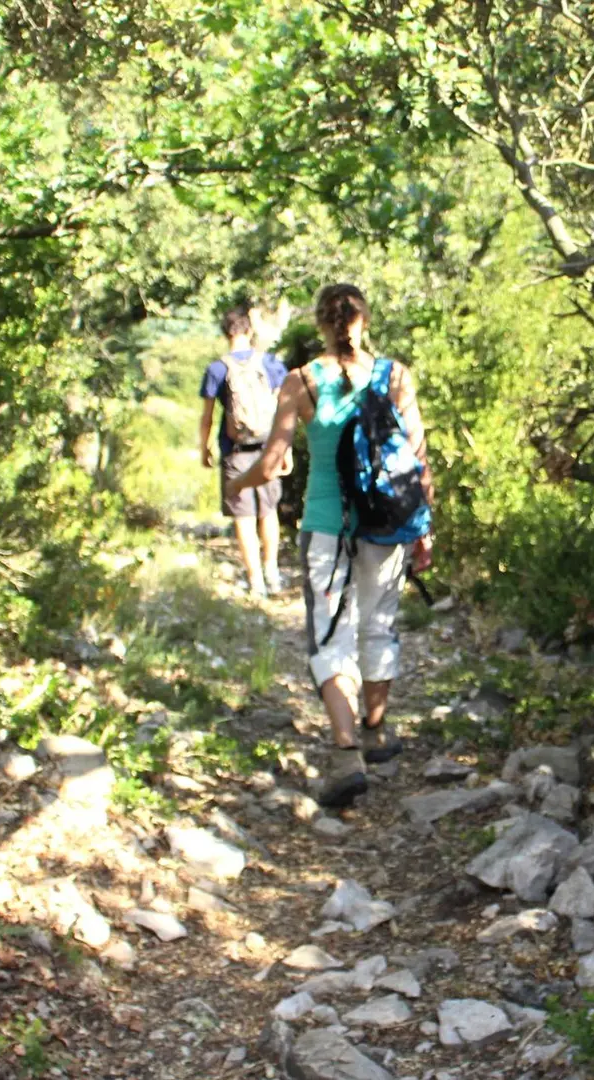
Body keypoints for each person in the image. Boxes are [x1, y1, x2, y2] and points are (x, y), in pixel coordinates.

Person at [225, 284, 435, 807]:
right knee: (379, 624)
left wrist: (237, 485)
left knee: (331, 635)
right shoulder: (396, 376)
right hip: (388, 523)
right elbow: (418, 462)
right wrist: (424, 528)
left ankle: (345, 755)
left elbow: (272, 463)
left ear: (321, 325)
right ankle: (376, 733)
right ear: (366, 319)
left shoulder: (301, 381)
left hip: (325, 524)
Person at [199, 303, 290, 597]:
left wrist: (205, 447)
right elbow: (283, 409)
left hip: (235, 451)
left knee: (244, 516)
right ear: (248, 330)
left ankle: (255, 581)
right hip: (267, 447)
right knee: (269, 511)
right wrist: (284, 448)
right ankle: (272, 571)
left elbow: (208, 416)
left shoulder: (217, 368)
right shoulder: (270, 363)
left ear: (226, 333)